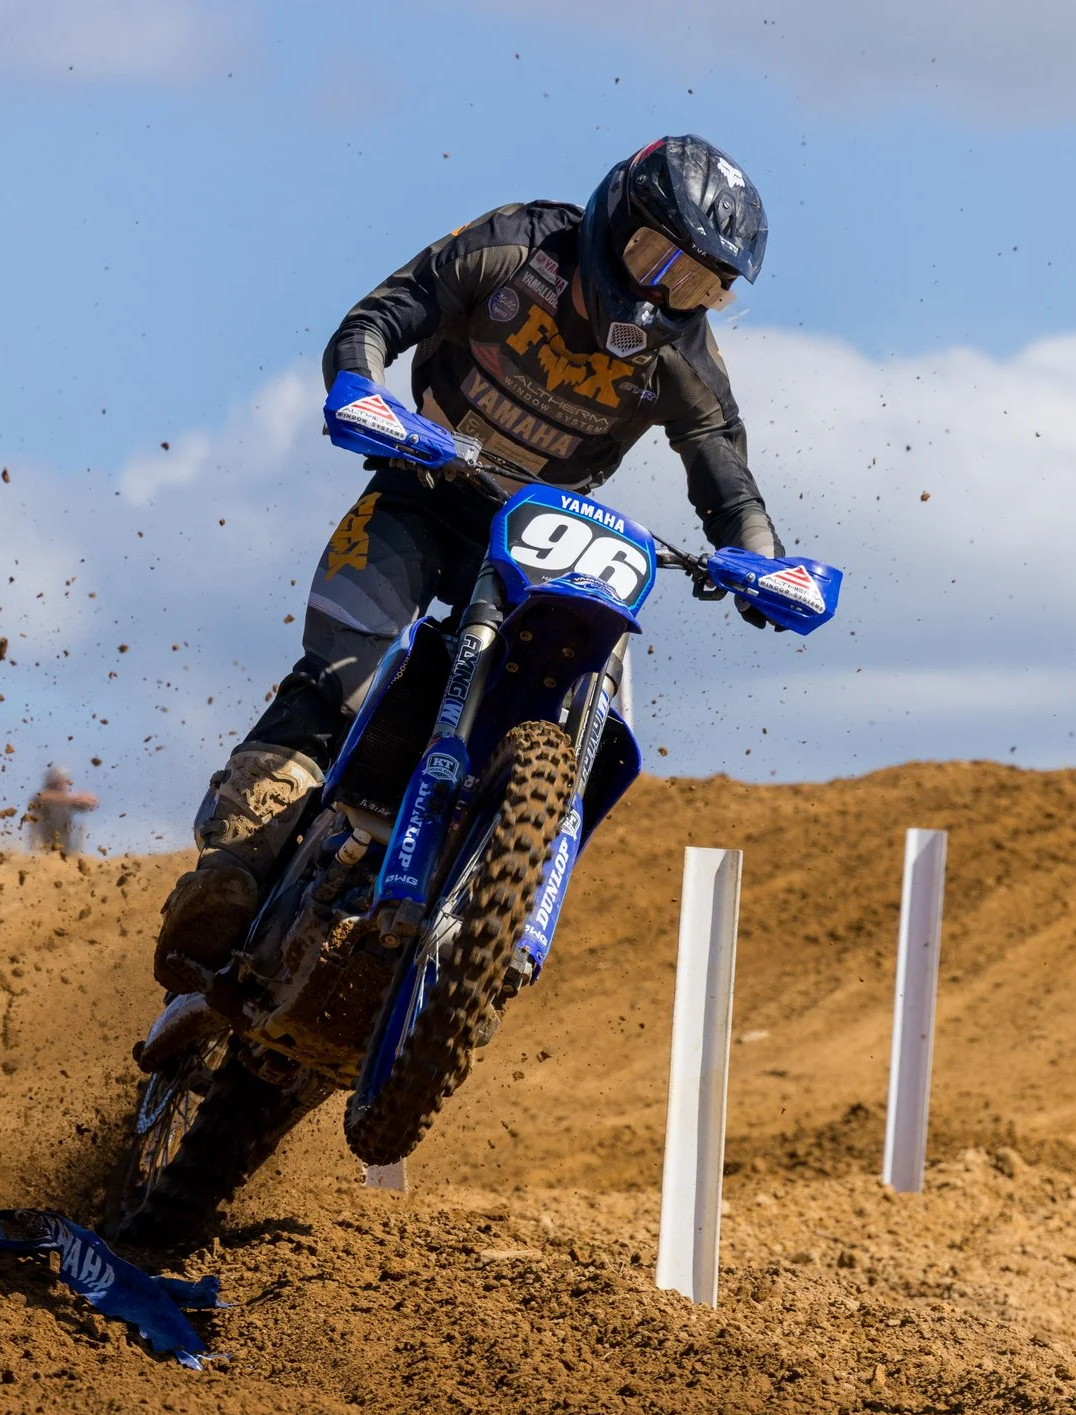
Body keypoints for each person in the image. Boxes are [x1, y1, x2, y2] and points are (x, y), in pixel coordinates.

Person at [155, 135, 783, 991]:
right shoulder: (517, 247)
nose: (662, 293)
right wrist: (363, 391)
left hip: (542, 541)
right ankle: (231, 866)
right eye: (653, 258)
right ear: (614, 218)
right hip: (422, 487)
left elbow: (723, 467)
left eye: (697, 283)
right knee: (342, 673)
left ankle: (496, 890)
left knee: (579, 677)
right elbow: (379, 317)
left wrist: (759, 561)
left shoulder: (685, 359)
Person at [25, 765, 99, 855]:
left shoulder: (67, 802)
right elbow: (41, 797)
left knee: (81, 826)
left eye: (65, 782)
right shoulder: (43, 799)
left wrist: (90, 801)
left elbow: (87, 804)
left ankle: (74, 855)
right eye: (61, 782)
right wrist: (74, 799)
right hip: (42, 849)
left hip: (65, 850)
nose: (65, 785)